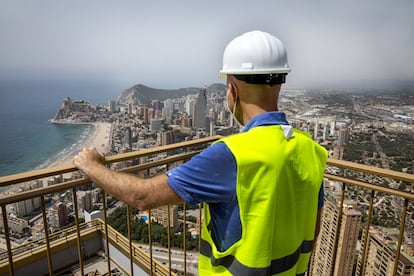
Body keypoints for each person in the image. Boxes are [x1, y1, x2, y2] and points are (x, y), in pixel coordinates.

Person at [73, 30, 328, 275]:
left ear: (232, 90)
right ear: (279, 85)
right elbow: (313, 228)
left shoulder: (232, 155)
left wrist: (91, 165)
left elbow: (142, 196)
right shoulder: (311, 150)